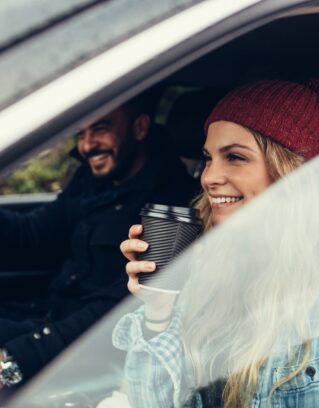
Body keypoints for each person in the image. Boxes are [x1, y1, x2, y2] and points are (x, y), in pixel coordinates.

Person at [111, 79, 319, 407]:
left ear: (294, 173)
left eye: (235, 157)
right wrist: (157, 313)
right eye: (208, 158)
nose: (209, 176)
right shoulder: (200, 267)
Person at [0, 91, 195, 390]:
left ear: (140, 128)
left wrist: (17, 357)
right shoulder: (92, 180)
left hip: (83, 351)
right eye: (81, 133)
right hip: (45, 315)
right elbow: (34, 234)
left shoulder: (170, 206)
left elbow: (121, 307)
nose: (88, 145)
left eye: (101, 129)